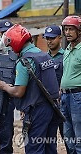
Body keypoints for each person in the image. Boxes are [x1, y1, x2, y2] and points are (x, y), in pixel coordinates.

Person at [0, 24, 60, 154]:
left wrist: (4, 86)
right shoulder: (44, 55)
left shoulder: (24, 62)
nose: (10, 48)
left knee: (34, 149)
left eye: (11, 45)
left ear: (17, 42)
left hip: (37, 112)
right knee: (49, 148)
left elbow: (18, 92)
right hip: (52, 109)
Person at [44, 25, 69, 153]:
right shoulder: (43, 58)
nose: (49, 41)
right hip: (48, 105)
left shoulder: (66, 56)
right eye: (47, 38)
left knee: (69, 137)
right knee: (49, 139)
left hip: (64, 103)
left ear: (60, 38)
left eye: (52, 38)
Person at [0, 19, 16, 154]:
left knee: (6, 135)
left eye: (8, 33)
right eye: (2, 33)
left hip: (9, 100)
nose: (5, 36)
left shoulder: (17, 54)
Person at [60, 15, 81, 153]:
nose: (67, 32)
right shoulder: (67, 50)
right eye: (66, 29)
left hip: (77, 96)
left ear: (79, 31)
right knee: (68, 135)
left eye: (71, 29)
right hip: (65, 97)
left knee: (79, 135)